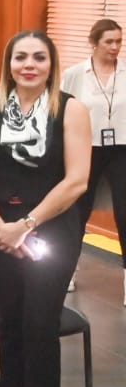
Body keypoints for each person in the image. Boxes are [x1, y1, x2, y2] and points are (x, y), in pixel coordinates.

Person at [0, 31, 90, 387]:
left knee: (39, 327)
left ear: (51, 64)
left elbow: (77, 181)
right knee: (10, 326)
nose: (29, 65)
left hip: (51, 231)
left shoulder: (70, 109)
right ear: (8, 63)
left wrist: (25, 226)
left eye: (39, 57)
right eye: (20, 57)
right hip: (0, 230)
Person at [61, 19, 126, 303]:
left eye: (118, 41)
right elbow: (62, 109)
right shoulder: (75, 74)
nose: (115, 47)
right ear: (94, 42)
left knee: (124, 211)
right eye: (109, 41)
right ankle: (67, 270)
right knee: (78, 209)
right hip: (86, 147)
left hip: (121, 148)